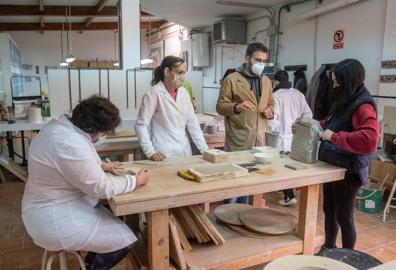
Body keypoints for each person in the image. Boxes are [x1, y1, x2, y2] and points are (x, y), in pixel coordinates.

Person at [22, 96, 150, 270]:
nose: (103, 137)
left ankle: (89, 263)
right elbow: (103, 188)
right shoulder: (69, 142)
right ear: (93, 129)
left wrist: (101, 165)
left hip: (47, 203)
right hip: (53, 218)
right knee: (125, 239)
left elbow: (70, 160)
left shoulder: (61, 126)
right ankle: (92, 267)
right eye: (103, 133)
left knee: (108, 213)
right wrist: (136, 180)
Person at [318, 59, 379, 250]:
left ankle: (347, 258)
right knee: (329, 210)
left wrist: (335, 137)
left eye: (337, 81)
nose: (334, 85)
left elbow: (370, 138)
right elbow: (334, 123)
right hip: (333, 165)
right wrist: (312, 125)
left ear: (349, 81)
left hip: (349, 170)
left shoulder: (363, 105)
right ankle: (329, 248)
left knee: (343, 216)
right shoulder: (346, 98)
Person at [216, 42, 275, 204]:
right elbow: (220, 107)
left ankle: (242, 215)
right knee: (234, 182)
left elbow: (271, 103)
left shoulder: (267, 82)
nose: (261, 64)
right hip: (239, 138)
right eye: (258, 60)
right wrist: (236, 106)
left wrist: (270, 112)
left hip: (259, 140)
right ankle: (227, 215)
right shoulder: (232, 80)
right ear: (247, 58)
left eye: (264, 61)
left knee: (250, 183)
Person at [135, 56, 208, 161]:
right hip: (162, 153)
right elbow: (141, 125)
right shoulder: (154, 94)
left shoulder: (184, 93)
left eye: (184, 73)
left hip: (184, 151)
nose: (183, 77)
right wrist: (150, 152)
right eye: (179, 72)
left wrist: (205, 150)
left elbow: (193, 124)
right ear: (167, 72)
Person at [268, 70, 312, 206]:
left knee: (282, 168)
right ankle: (287, 191)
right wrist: (299, 126)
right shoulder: (298, 94)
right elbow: (308, 114)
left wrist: (271, 129)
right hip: (296, 137)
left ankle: (290, 196)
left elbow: (273, 120)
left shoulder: (275, 96)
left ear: (275, 81)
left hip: (281, 137)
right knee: (292, 167)